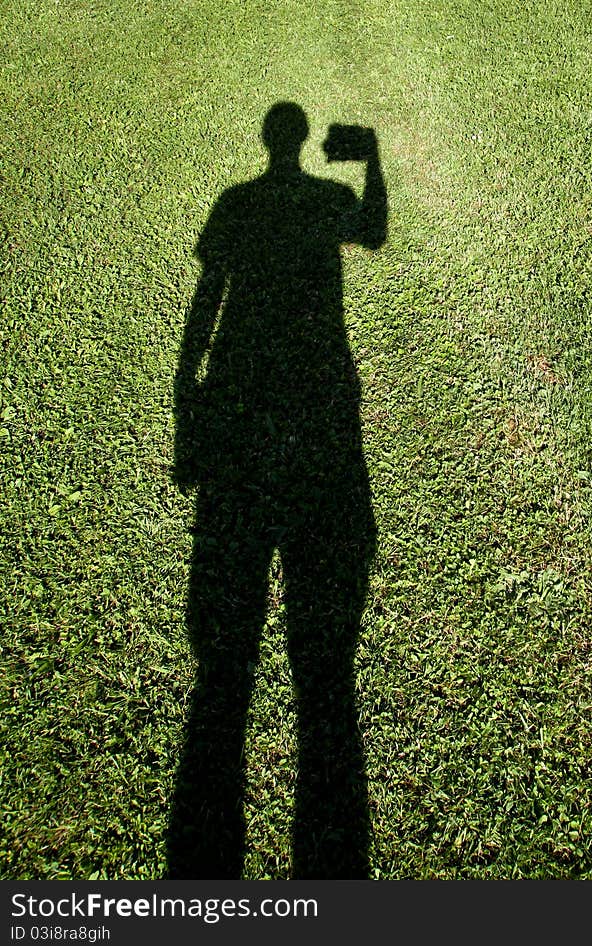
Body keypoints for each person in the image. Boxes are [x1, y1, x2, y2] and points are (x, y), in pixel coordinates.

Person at [167, 102, 387, 878]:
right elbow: (376, 231)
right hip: (318, 395)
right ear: (302, 143)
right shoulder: (326, 201)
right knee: (321, 649)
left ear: (266, 141)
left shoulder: (236, 203)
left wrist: (184, 401)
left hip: (240, 395)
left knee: (229, 614)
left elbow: (206, 303)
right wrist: (372, 161)